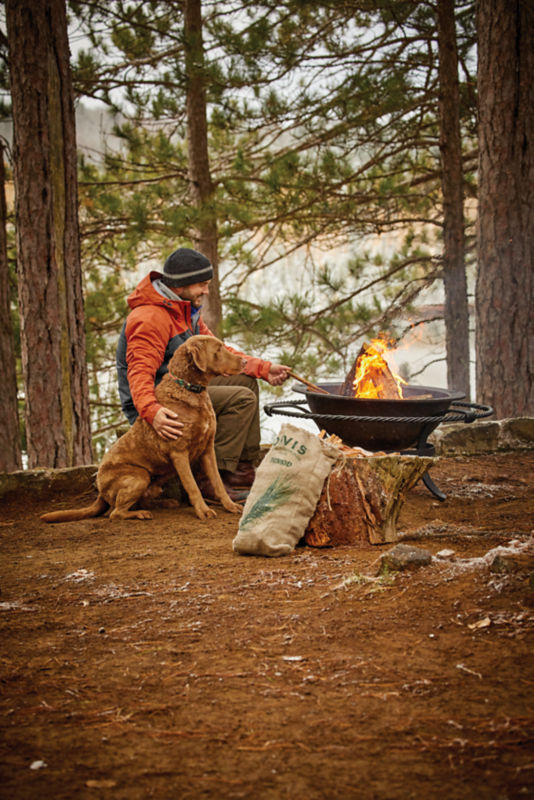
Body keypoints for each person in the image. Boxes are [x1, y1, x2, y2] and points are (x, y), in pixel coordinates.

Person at [116, 246, 290, 501]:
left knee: (247, 382)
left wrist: (263, 368)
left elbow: (221, 352)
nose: (207, 291)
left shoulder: (183, 310)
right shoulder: (150, 317)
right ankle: (211, 479)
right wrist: (151, 412)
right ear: (181, 285)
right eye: (202, 284)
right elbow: (139, 374)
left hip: (182, 391)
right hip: (156, 402)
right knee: (241, 398)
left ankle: (241, 471)